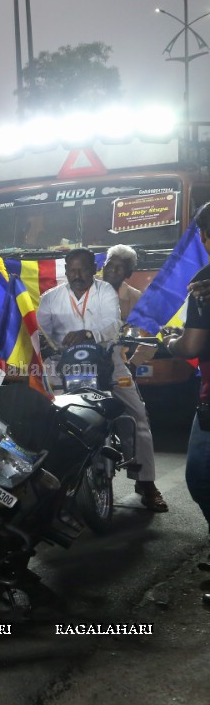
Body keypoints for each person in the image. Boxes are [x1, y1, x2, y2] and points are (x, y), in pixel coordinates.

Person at [37, 247, 165, 512]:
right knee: (46, 416)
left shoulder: (105, 291)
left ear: (93, 269)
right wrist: (45, 344)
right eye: (71, 270)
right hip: (64, 366)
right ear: (65, 271)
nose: (76, 275)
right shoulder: (50, 298)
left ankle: (146, 482)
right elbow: (41, 331)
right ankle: (53, 483)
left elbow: (111, 323)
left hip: (109, 361)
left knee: (136, 416)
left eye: (82, 269)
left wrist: (89, 333)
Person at [165, 204, 210, 551]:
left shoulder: (204, 285)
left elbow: (192, 343)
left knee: (200, 476)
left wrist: (170, 342)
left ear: (204, 237)